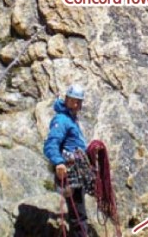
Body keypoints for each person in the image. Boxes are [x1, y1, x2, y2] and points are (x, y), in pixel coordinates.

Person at [44, 84, 89, 236]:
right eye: (73, 100)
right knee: (78, 214)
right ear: (66, 100)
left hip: (76, 172)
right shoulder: (62, 120)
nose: (76, 104)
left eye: (79, 101)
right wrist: (58, 162)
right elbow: (51, 143)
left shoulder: (71, 120)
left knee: (78, 212)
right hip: (70, 173)